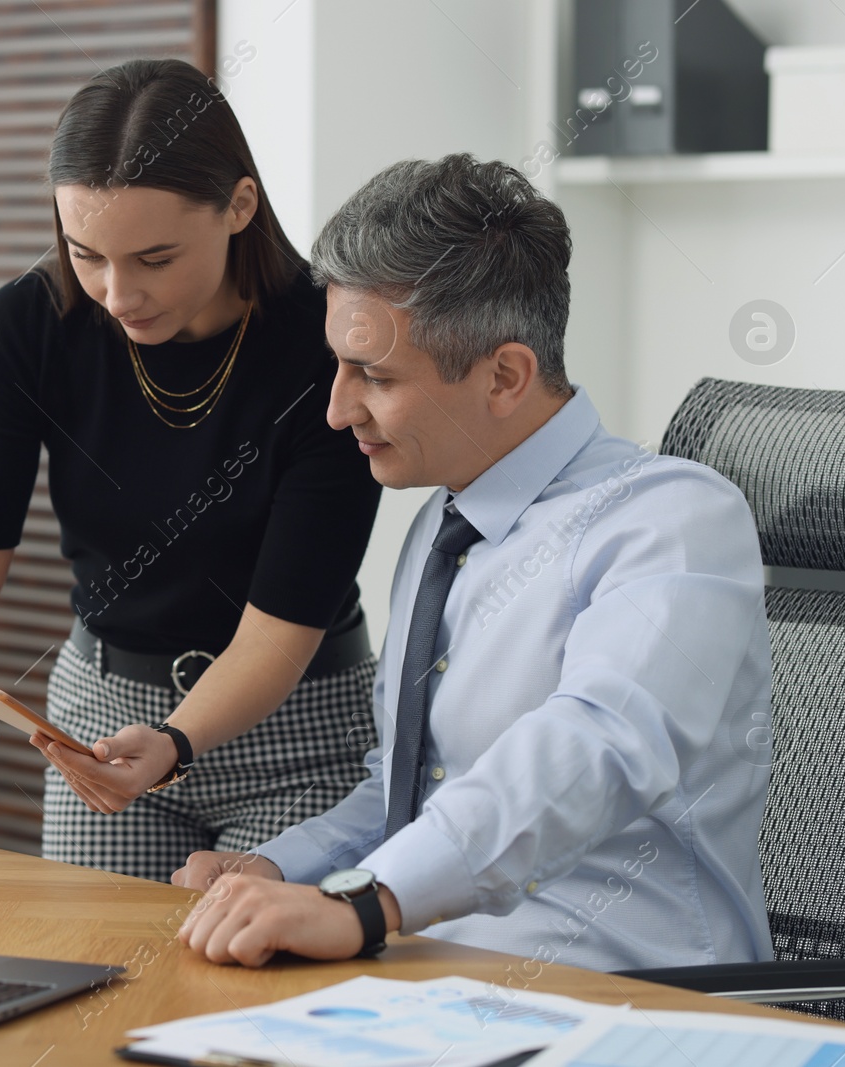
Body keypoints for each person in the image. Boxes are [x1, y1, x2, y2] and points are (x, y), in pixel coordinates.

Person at [172, 154, 774, 973]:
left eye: (374, 376)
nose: (337, 409)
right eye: (338, 368)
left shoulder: (673, 520)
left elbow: (594, 746)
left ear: (505, 376)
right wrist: (280, 869)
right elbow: (410, 791)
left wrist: (364, 901)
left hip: (624, 992)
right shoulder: (440, 525)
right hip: (437, 974)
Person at [0, 58, 383, 883]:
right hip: (104, 724)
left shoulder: (324, 344)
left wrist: (178, 740)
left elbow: (278, 633)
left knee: (256, 987)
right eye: (87, 253)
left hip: (298, 728)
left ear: (239, 207)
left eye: (154, 258)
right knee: (93, 982)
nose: (118, 294)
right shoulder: (28, 327)